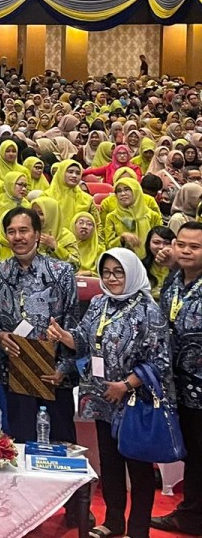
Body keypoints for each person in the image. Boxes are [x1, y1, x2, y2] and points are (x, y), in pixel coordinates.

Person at [48, 248, 172, 538]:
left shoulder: (148, 309)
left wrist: (126, 385)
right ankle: (114, 521)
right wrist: (64, 336)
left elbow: (160, 360)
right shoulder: (98, 303)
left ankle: (138, 529)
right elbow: (82, 340)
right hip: (102, 397)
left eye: (119, 272)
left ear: (132, 273)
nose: (112, 278)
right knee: (110, 461)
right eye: (106, 273)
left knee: (138, 466)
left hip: (134, 400)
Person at [0, 204, 83, 511]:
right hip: (14, 371)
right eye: (11, 231)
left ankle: (72, 508)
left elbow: (74, 324)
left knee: (61, 441)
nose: (18, 237)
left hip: (54, 374)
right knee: (19, 441)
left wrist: (64, 367)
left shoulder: (61, 272)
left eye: (24, 230)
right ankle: (21, 507)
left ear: (38, 234)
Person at [152, 221, 202, 536]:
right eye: (181, 244)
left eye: (194, 247)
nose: (185, 251)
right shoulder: (174, 280)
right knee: (193, 455)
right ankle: (190, 516)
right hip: (178, 385)